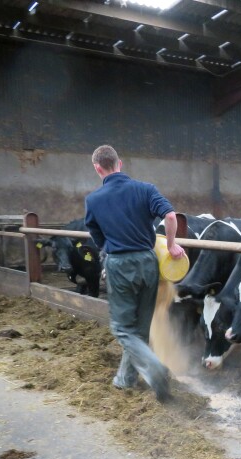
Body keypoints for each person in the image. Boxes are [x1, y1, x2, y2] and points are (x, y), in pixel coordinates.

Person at [84, 145, 186, 401]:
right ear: (120, 163)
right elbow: (171, 216)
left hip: (120, 264)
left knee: (121, 329)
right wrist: (172, 244)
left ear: (98, 168)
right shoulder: (145, 189)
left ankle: (154, 368)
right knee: (139, 328)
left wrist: (110, 247)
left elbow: (97, 237)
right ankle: (126, 379)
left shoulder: (93, 200)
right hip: (149, 262)